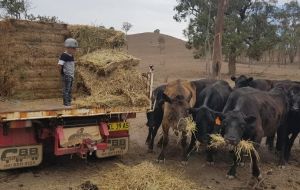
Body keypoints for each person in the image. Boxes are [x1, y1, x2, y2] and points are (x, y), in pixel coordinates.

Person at [58, 38, 78, 107]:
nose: (75, 50)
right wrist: (63, 73)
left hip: (71, 75)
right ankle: (66, 103)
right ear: (68, 48)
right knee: (66, 89)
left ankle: (69, 101)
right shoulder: (64, 55)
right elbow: (60, 65)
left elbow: (71, 65)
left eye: (75, 48)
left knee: (69, 89)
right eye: (73, 48)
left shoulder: (71, 56)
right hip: (67, 75)